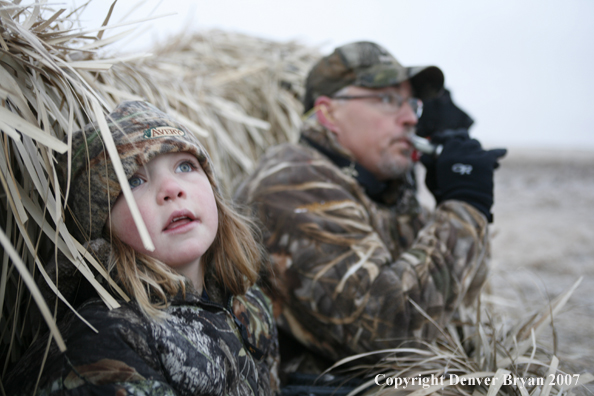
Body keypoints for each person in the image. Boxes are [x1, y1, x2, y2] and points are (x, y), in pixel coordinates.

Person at [234, 41, 506, 369]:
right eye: (389, 100)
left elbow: (457, 305)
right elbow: (390, 336)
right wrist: (464, 206)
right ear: (328, 113)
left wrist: (459, 204)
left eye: (412, 104)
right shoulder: (292, 184)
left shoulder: (384, 187)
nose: (409, 118)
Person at [6, 101, 279, 395]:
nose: (171, 189)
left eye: (185, 166)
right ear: (101, 224)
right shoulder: (103, 339)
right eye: (134, 181)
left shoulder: (249, 303)